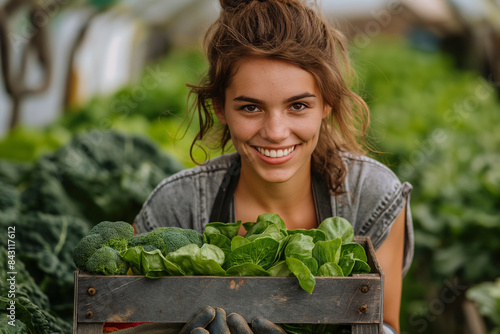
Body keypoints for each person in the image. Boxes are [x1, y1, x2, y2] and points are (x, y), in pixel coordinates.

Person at [134, 0, 413, 333]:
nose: (276, 132)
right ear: (220, 109)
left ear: (326, 103)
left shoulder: (372, 195)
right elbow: (122, 316)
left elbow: (384, 326)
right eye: (251, 107)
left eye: (298, 105)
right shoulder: (177, 205)